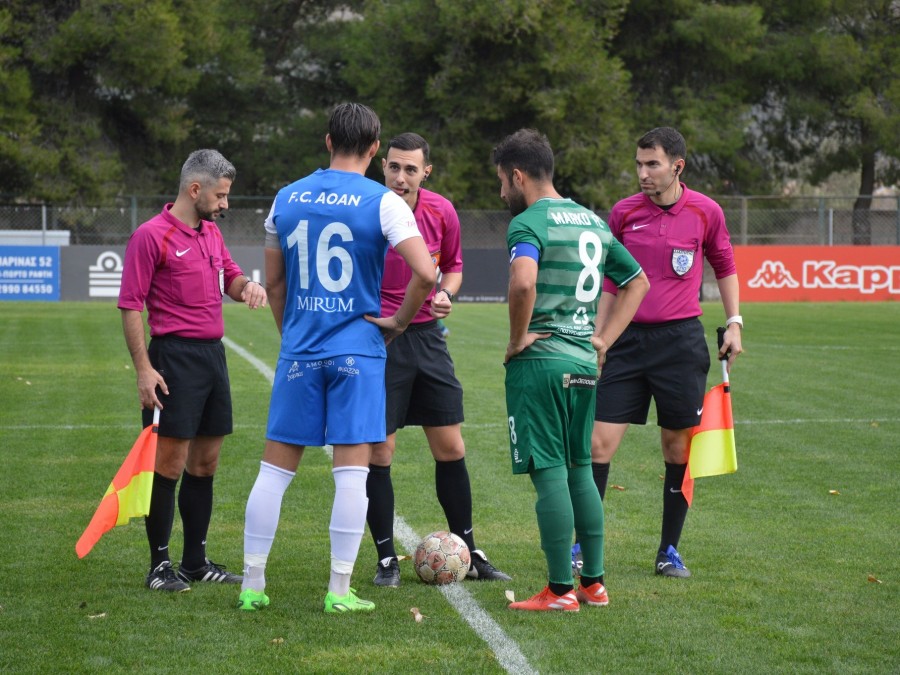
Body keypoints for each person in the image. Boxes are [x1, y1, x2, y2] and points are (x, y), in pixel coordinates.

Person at [238, 104, 436, 613]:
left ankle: (252, 585)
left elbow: (275, 283)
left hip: (301, 349)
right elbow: (427, 275)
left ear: (327, 142)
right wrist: (397, 321)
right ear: (374, 149)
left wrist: (294, 338)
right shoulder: (385, 201)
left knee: (273, 472)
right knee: (352, 474)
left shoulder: (285, 198)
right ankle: (339, 589)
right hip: (358, 352)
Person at [493, 129, 650, 611]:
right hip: (583, 361)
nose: (502, 193)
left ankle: (560, 590)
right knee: (581, 468)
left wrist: (518, 339)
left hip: (541, 363)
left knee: (550, 474)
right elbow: (637, 281)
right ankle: (594, 583)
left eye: (502, 181)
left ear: (518, 176)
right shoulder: (593, 222)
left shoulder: (528, 223)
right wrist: (601, 340)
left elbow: (523, 285)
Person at [590, 126, 743, 578]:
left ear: (677, 166)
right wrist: (598, 339)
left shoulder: (705, 211)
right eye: (638, 164)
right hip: (626, 341)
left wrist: (735, 322)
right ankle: (583, 544)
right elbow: (610, 282)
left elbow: (726, 265)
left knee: (677, 448)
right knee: (597, 444)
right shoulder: (622, 214)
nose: (642, 173)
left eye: (652, 164)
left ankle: (668, 550)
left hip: (679, 343)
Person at [118, 149, 268, 592]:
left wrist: (249, 287)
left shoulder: (211, 234)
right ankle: (159, 566)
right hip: (173, 359)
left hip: (212, 359)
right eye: (220, 196)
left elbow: (231, 278)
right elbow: (129, 306)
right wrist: (144, 369)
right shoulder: (151, 236)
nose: (225, 204)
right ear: (195, 189)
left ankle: (195, 562)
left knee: (206, 462)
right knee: (169, 463)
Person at [365, 132, 510, 587]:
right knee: (380, 451)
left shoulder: (441, 211)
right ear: (381, 167)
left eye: (411, 169)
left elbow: (454, 266)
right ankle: (386, 558)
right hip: (380, 338)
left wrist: (446, 292)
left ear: (425, 172)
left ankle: (468, 549)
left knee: (451, 447)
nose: (401, 176)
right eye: (394, 167)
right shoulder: (366, 208)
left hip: (428, 339)